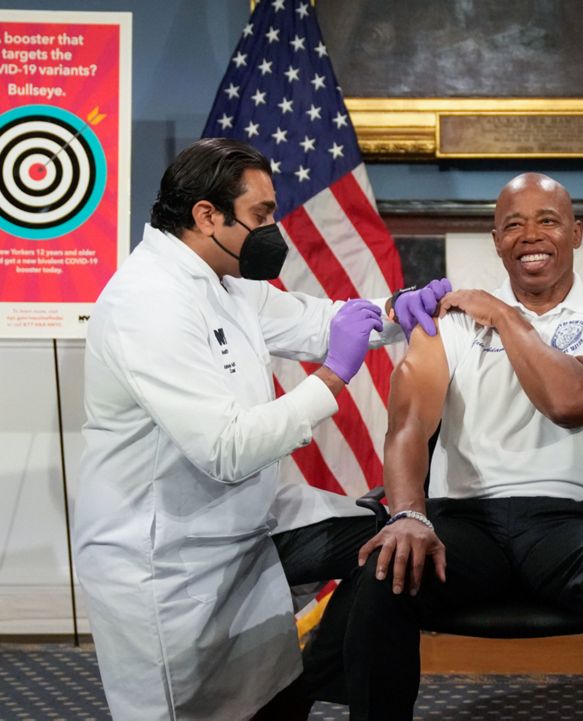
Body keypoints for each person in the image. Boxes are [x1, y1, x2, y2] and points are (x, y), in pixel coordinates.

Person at [72, 138, 449, 721]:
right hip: (166, 558)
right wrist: (331, 378)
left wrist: (400, 310)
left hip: (243, 525)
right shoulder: (148, 304)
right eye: (261, 215)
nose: (273, 228)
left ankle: (327, 670)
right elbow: (226, 450)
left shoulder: (225, 279)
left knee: (387, 536)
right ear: (206, 215)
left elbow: (323, 322)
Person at [343, 173, 583, 720]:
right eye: (513, 224)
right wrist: (407, 514)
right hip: (462, 524)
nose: (529, 235)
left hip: (570, 524)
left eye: (547, 221)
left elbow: (571, 400)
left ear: (577, 233)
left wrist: (505, 315)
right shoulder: (449, 326)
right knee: (383, 576)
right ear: (496, 241)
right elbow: (408, 427)